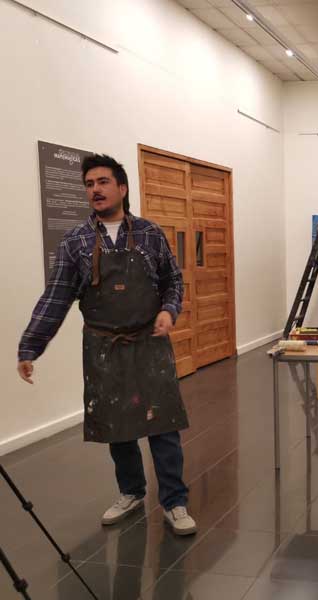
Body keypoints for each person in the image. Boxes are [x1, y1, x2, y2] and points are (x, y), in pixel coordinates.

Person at [17, 154, 196, 535]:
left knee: (163, 425)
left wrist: (169, 310)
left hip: (149, 343)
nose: (95, 190)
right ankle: (131, 492)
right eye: (89, 184)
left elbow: (173, 281)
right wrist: (30, 346)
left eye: (102, 182)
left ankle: (174, 501)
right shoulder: (75, 241)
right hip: (103, 347)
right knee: (118, 426)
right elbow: (56, 297)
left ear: (122, 188)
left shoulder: (150, 233)